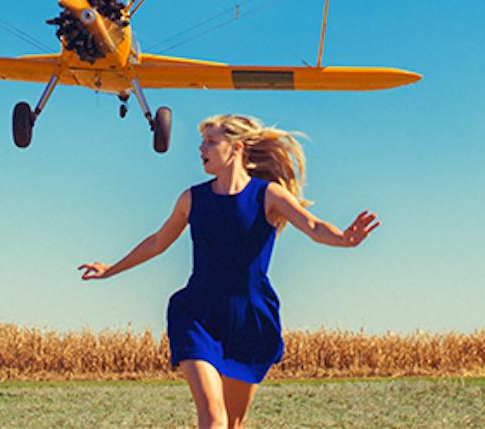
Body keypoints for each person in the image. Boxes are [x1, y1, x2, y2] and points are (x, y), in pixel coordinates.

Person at [78, 114, 379, 429]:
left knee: (232, 423)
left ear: (236, 148)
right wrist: (111, 268)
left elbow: (314, 226)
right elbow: (157, 241)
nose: (201, 147)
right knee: (212, 417)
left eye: (211, 141)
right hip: (197, 314)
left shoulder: (269, 195)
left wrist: (345, 238)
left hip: (249, 319)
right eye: (202, 141)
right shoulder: (192, 199)